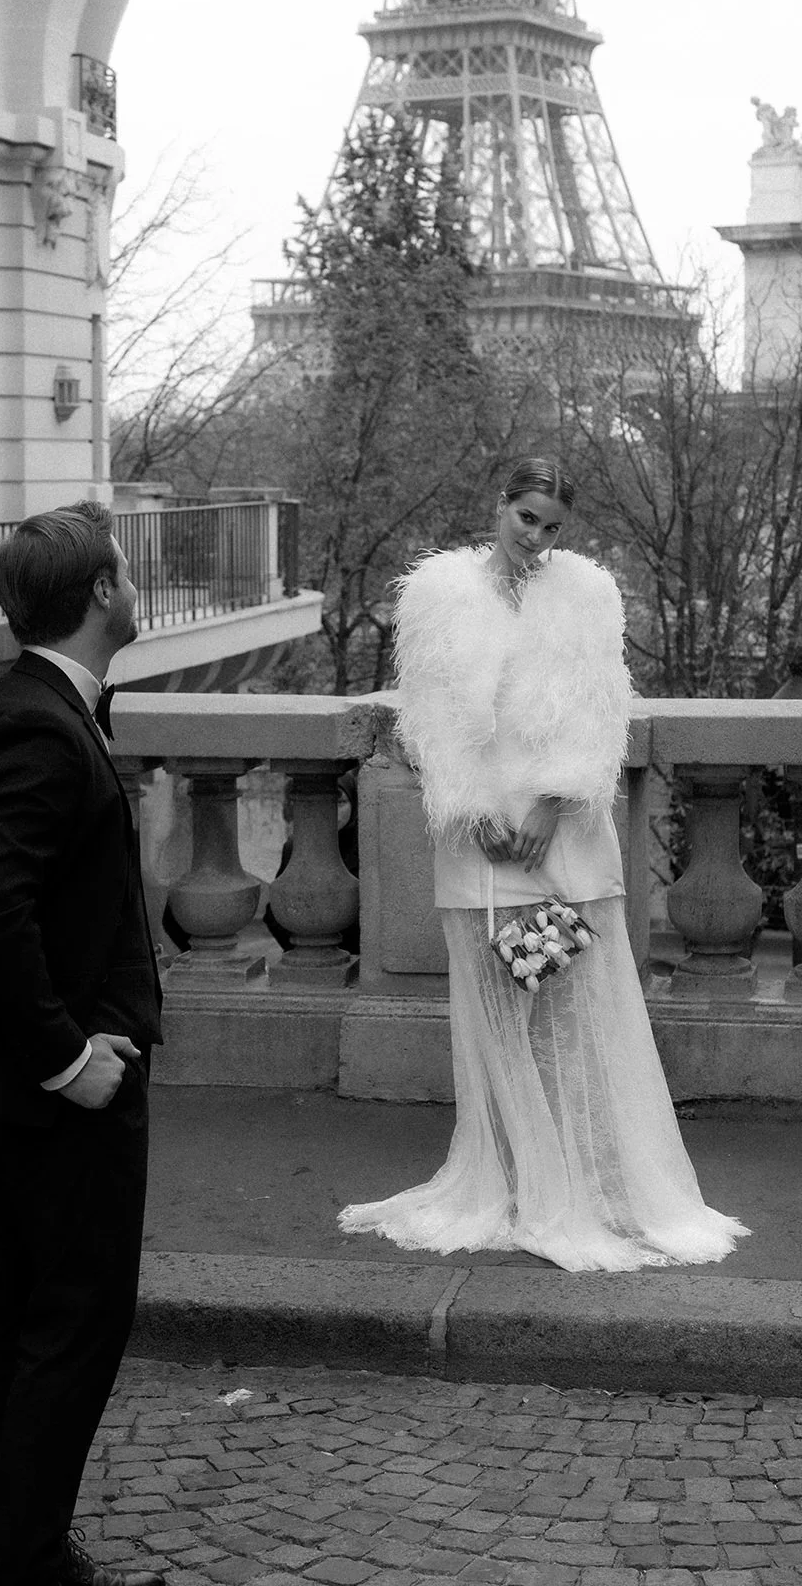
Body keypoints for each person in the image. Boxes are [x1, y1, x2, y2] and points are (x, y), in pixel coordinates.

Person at [339, 458, 747, 1273]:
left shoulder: (587, 594)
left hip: (563, 834)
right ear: (500, 506)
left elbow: (599, 712)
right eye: (527, 518)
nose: (537, 538)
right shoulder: (439, 596)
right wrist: (475, 810)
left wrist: (554, 804)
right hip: (479, 838)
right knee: (496, 1013)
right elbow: (430, 719)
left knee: (574, 1009)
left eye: (552, 526)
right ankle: (521, 1184)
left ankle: (586, 1185)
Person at [0, 500, 166, 1586]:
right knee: (70, 1325)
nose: (135, 586)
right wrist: (70, 1061)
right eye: (127, 572)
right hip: (68, 1089)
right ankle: (23, 1568)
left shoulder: (32, 702)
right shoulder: (40, 724)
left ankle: (23, 1557)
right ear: (102, 592)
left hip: (47, 1084)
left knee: (26, 1320)